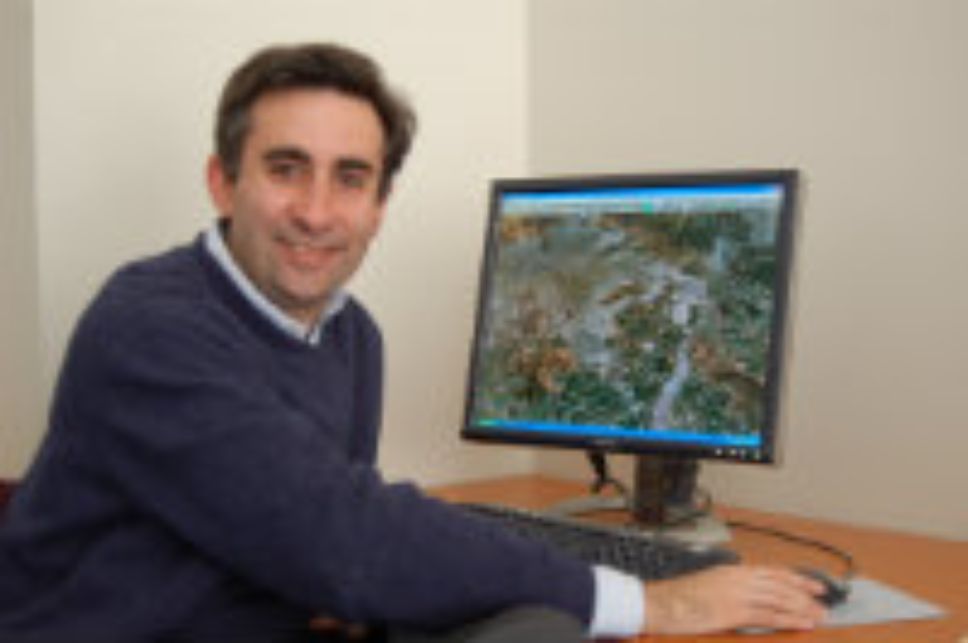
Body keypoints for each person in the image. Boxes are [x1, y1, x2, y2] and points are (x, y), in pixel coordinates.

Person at [0, 43, 827, 642]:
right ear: (223, 181)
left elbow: (323, 541)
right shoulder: (149, 326)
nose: (316, 212)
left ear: (379, 204)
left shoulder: (351, 336)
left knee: (535, 624)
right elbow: (339, 536)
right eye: (286, 168)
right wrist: (656, 602)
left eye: (350, 178)